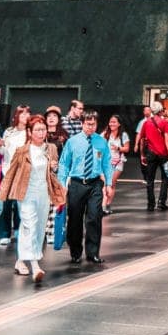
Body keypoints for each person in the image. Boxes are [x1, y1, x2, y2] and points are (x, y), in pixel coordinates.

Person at [0, 114, 66, 283]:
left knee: (38, 228)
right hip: (26, 193)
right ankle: (35, 266)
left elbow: (54, 169)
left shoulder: (50, 148)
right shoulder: (22, 151)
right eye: (37, 130)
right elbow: (11, 173)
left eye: (43, 130)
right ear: (29, 132)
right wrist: (2, 196)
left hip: (44, 193)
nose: (41, 133)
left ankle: (21, 261)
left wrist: (54, 167)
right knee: (30, 225)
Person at [57, 110, 112, 264]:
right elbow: (63, 164)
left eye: (93, 124)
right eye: (88, 124)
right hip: (76, 184)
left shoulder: (101, 142)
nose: (90, 127)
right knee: (75, 219)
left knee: (94, 217)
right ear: (82, 124)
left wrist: (108, 184)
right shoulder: (72, 142)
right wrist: (62, 184)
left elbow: (107, 163)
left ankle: (93, 252)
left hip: (95, 183)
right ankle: (75, 252)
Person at [0, 105, 30, 247]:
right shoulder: (9, 132)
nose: (26, 116)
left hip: (23, 172)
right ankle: (4, 234)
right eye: (22, 114)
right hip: (8, 170)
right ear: (16, 116)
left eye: (28, 113)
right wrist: (0, 145)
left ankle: (18, 229)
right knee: (5, 203)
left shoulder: (30, 132)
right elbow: (3, 152)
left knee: (20, 203)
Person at [138, 100, 168, 211]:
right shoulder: (164, 122)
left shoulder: (146, 123)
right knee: (166, 178)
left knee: (150, 179)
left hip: (151, 154)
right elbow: (167, 140)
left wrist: (142, 154)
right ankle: (162, 202)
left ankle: (150, 204)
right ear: (161, 111)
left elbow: (142, 140)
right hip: (163, 154)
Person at [102, 114, 130, 214]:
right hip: (106, 162)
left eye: (114, 122)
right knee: (106, 184)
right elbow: (98, 146)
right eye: (110, 122)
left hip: (118, 162)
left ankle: (106, 204)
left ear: (119, 124)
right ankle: (104, 206)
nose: (111, 124)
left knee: (111, 183)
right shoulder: (105, 134)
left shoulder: (123, 135)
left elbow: (127, 149)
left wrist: (118, 148)